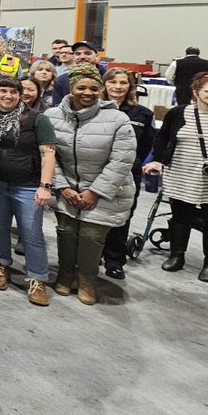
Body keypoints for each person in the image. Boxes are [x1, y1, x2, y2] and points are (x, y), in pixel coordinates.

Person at [45, 63, 137, 305]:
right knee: (66, 232)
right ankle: (65, 273)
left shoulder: (117, 118)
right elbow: (47, 155)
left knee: (91, 235)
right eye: (81, 87)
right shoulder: (52, 116)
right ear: (70, 88)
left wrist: (94, 192)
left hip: (105, 192)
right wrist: (63, 186)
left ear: (101, 89)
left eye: (94, 88)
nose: (87, 93)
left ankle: (87, 279)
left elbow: (122, 159)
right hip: (66, 189)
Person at [144, 72, 208, 283]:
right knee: (181, 215)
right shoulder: (179, 113)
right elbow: (162, 139)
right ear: (196, 92)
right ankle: (176, 256)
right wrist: (158, 160)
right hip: (182, 173)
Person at [0, 76, 57, 306]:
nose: (8, 96)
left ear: (20, 94)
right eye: (3, 91)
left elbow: (48, 153)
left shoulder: (37, 119)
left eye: (13, 92)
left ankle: (37, 279)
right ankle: (1, 266)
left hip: (27, 185)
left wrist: (45, 186)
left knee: (31, 233)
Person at [97, 68, 156, 279]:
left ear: (130, 87)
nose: (118, 87)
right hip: (96, 170)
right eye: (113, 82)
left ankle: (114, 260)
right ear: (104, 85)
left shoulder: (143, 114)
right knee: (94, 217)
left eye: (123, 83)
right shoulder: (95, 109)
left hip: (127, 173)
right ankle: (93, 256)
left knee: (121, 217)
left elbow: (147, 145)